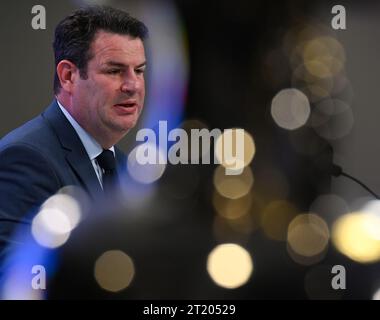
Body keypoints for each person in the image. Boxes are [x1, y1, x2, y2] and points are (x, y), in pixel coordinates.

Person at [0, 6, 148, 265]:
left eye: (139, 71)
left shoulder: (125, 169)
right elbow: (19, 279)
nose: (133, 85)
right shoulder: (26, 159)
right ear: (68, 76)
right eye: (114, 71)